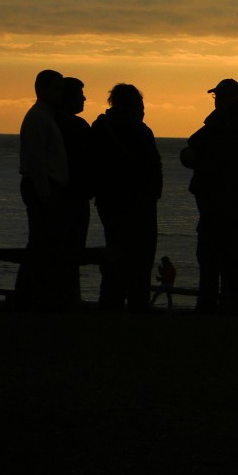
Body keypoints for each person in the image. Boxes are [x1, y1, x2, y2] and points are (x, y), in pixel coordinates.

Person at [181, 78, 238, 315]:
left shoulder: (222, 124)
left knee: (215, 257)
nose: (216, 101)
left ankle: (214, 306)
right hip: (237, 203)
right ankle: (237, 307)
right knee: (234, 258)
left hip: (219, 203)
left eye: (219, 97)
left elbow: (196, 146)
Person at [92, 84, 163, 312]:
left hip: (109, 202)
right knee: (141, 257)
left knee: (115, 252)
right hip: (139, 203)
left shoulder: (100, 128)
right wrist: (153, 194)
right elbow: (152, 167)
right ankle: (137, 302)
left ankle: (110, 300)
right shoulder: (140, 131)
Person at [13, 69, 70, 310]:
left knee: (44, 242)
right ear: (43, 90)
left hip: (45, 185)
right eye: (57, 89)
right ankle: (27, 296)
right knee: (40, 242)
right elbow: (36, 160)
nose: (61, 94)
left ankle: (34, 294)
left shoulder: (45, 117)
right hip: (43, 186)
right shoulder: (38, 118)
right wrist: (45, 194)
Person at [55, 77, 95, 307]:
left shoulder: (79, 125)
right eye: (79, 94)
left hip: (78, 196)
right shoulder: (62, 125)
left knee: (75, 250)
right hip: (67, 197)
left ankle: (69, 296)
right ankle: (65, 297)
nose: (84, 98)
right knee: (66, 249)